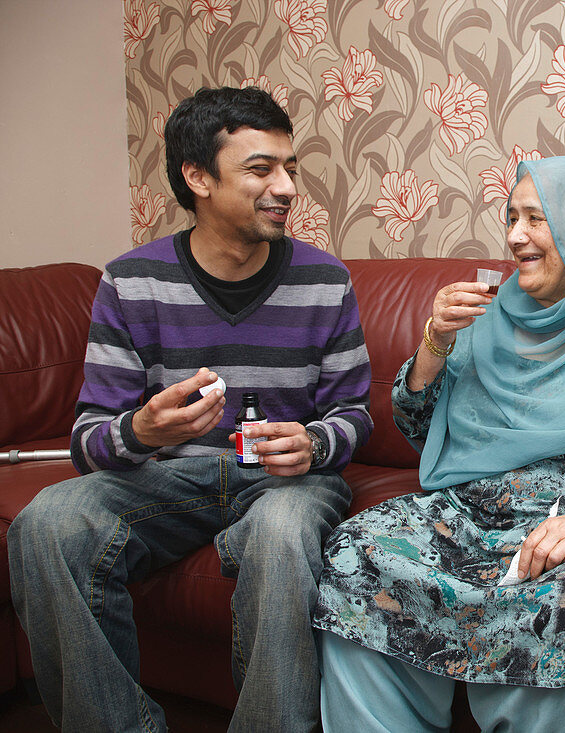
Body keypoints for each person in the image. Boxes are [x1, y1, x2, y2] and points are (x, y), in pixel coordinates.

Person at [8, 86, 372, 732]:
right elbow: (89, 438)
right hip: (170, 479)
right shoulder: (130, 281)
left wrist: (315, 443)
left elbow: (353, 412)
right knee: (44, 524)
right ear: (197, 176)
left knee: (284, 538)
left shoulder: (326, 280)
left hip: (284, 483)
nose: (286, 186)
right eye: (261, 169)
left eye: (291, 167)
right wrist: (141, 429)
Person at [312, 156, 565, 732]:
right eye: (511, 217)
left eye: (535, 218)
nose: (514, 236)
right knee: (357, 549)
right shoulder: (485, 319)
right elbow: (423, 431)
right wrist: (436, 341)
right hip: (468, 515)